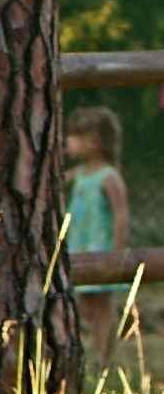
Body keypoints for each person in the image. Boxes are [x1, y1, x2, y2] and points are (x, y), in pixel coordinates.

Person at [67, 105, 133, 365]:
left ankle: (104, 358)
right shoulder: (79, 174)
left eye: (75, 136)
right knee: (84, 303)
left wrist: (117, 251)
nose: (67, 142)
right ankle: (90, 353)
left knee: (103, 305)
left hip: (101, 247)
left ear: (94, 142)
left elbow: (121, 214)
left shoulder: (109, 177)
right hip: (79, 247)